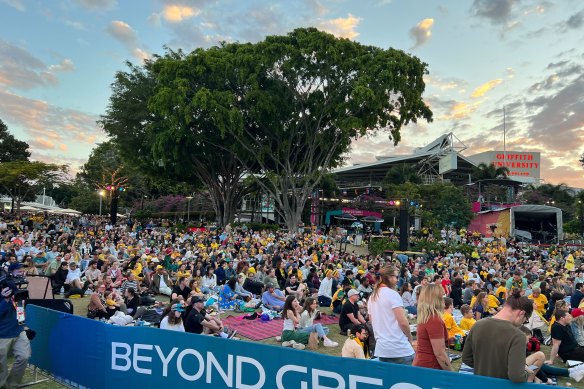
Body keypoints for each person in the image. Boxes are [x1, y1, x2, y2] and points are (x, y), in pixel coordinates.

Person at [462, 290, 535, 383]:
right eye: (525, 320)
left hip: (479, 383)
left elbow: (466, 358)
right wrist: (526, 373)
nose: (522, 323)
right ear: (521, 313)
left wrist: (485, 367)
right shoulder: (518, 336)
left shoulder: (477, 325)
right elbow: (517, 376)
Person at [368, 265, 415, 365]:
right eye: (396, 277)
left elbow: (373, 321)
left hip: (383, 349)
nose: (398, 280)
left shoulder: (372, 296)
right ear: (389, 277)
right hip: (399, 349)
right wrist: (410, 338)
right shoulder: (392, 294)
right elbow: (403, 322)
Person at [413, 284, 452, 370]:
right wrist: (450, 373)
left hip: (422, 364)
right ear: (436, 299)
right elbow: (439, 353)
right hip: (430, 367)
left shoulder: (427, 317)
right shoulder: (434, 320)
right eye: (442, 297)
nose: (444, 300)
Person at [0, 283, 31, 389]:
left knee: (24, 356)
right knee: (1, 364)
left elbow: (20, 315)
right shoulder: (3, 297)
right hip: (2, 335)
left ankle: (12, 384)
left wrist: (25, 327)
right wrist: (5, 300)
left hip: (18, 332)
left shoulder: (17, 297)